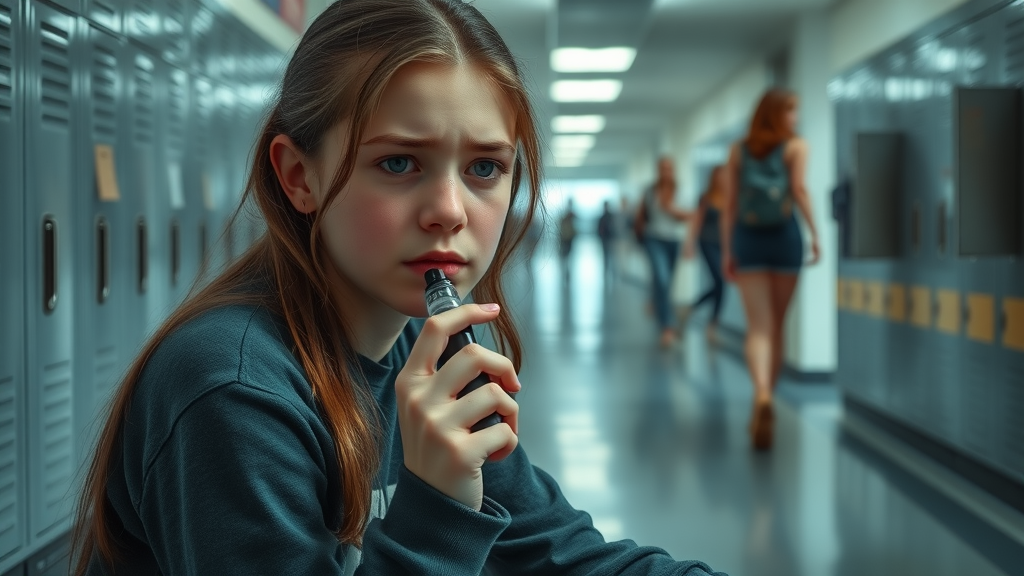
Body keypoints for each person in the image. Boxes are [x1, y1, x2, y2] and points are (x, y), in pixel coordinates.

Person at [70, 2, 726, 575]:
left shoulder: (428, 347)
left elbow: (559, 553)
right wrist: (436, 507)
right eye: (398, 163)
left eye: (485, 168)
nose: (449, 209)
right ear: (298, 176)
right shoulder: (230, 386)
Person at [720, 88, 821, 451]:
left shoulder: (738, 151)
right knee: (777, 327)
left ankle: (760, 392)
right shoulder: (796, 147)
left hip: (749, 240)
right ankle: (768, 397)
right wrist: (816, 234)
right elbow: (799, 190)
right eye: (792, 111)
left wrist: (728, 250)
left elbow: (730, 205)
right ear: (778, 114)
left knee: (758, 328)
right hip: (784, 238)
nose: (795, 119)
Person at [635, 157, 691, 347]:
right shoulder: (650, 191)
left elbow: (688, 215)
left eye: (669, 168)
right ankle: (668, 326)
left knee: (666, 284)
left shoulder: (681, 190)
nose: (665, 172)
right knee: (662, 278)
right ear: (658, 170)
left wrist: (670, 208)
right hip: (653, 239)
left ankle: (661, 314)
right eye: (662, 168)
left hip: (673, 240)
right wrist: (639, 236)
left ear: (673, 170)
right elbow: (641, 215)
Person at [681, 166, 727, 342]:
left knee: (721, 286)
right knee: (719, 281)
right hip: (707, 242)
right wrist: (690, 243)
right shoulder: (706, 198)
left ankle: (704, 319)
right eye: (720, 176)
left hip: (724, 245)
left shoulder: (731, 197)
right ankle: (709, 325)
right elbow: (697, 221)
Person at [597, 200, 618, 279]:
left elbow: (614, 227)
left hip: (609, 238)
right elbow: (599, 229)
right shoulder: (603, 217)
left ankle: (611, 270)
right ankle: (606, 269)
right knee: (606, 254)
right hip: (605, 238)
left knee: (611, 254)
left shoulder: (610, 216)